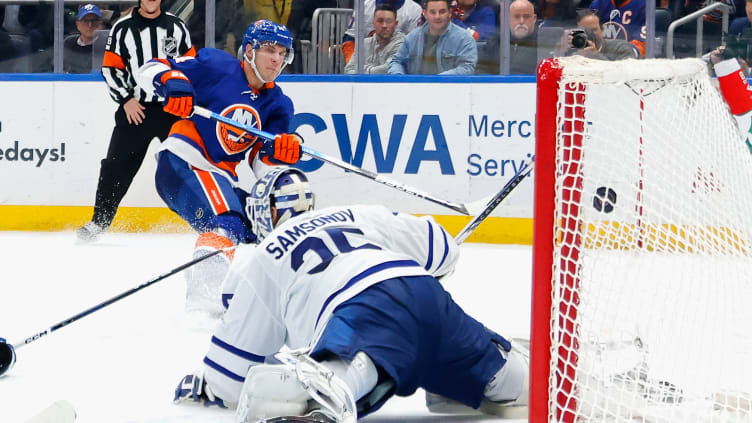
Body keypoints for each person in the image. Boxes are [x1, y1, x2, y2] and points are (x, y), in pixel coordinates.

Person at [172, 166, 530, 423]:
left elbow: (231, 379)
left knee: (315, 384)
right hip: (425, 294)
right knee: (514, 385)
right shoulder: (355, 214)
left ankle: (331, 390)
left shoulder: (261, 259)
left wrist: (203, 387)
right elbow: (443, 251)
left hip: (358, 310)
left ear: (262, 214)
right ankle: (492, 369)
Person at [133, 19, 303, 317]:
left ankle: (258, 295)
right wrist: (173, 82)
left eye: (282, 53)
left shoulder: (278, 104)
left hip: (220, 177)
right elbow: (148, 69)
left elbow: (262, 167)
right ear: (249, 50)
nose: (277, 59)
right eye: (269, 50)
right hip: (184, 162)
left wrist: (281, 152)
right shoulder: (216, 66)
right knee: (225, 221)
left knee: (263, 226)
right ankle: (204, 298)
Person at [77, 0, 195, 241]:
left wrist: (184, 96)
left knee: (191, 164)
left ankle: (205, 219)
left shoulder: (177, 27)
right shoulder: (123, 28)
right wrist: (126, 99)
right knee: (115, 167)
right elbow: (111, 69)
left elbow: (191, 66)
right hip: (136, 109)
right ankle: (99, 222)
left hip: (172, 111)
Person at [388, 0, 478, 74]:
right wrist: (399, 77)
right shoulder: (411, 38)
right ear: (425, 13)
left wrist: (436, 81)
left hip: (450, 91)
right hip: (415, 91)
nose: (437, 16)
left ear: (450, 13)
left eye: (442, 12)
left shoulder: (465, 39)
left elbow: (467, 68)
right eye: (432, 12)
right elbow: (397, 62)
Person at [342, 0, 422, 65]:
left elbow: (413, 45)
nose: (384, 25)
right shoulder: (365, 6)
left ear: (395, 23)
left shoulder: (414, 10)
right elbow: (349, 38)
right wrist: (354, 63)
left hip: (398, 64)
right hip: (366, 61)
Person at [344, 4, 405, 74]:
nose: (384, 25)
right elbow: (348, 70)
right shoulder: (364, 44)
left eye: (388, 21)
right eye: (380, 21)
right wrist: (371, 70)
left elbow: (388, 69)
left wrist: (361, 70)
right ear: (373, 23)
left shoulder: (402, 43)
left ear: (395, 24)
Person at [561, 9, 638, 60]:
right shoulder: (573, 49)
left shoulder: (621, 47)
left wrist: (595, 55)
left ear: (602, 30)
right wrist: (562, 49)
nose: (588, 34)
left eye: (593, 30)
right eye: (583, 30)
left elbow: (624, 74)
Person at [63, 4, 104, 74]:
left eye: (94, 21)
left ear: (100, 24)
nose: (90, 25)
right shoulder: (69, 43)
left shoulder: (106, 44)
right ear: (77, 24)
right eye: (85, 21)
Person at [509, 0, 539, 74]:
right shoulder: (496, 41)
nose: (521, 21)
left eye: (526, 17)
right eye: (516, 17)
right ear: (508, 19)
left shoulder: (542, 42)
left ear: (534, 19)